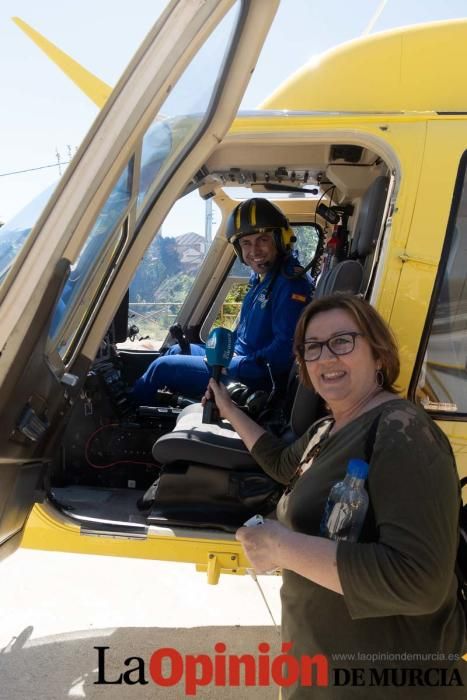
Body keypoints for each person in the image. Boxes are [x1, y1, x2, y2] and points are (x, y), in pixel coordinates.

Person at [203, 294, 466, 698]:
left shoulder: (402, 431)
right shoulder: (328, 430)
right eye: (313, 348)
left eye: (343, 341)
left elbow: (420, 581)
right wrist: (228, 409)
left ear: (378, 355)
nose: (326, 358)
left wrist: (281, 546)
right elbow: (280, 463)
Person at [132, 198, 312, 404]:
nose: (254, 251)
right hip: (240, 360)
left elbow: (284, 350)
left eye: (263, 239)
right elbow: (245, 335)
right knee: (177, 349)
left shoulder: (291, 284)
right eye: (246, 243)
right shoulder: (262, 280)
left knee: (161, 368)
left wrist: (234, 364)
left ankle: (123, 423)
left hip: (255, 378)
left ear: (281, 240)